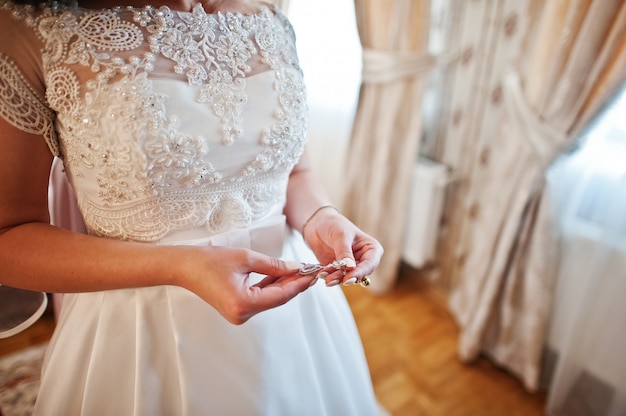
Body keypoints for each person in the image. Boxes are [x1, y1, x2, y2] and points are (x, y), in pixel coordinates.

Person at [0, 0, 384, 414]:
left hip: (294, 305)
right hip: (142, 328)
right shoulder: (32, 26)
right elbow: (9, 234)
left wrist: (320, 218)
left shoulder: (270, 15)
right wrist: (181, 266)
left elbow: (293, 172)